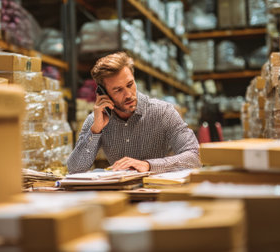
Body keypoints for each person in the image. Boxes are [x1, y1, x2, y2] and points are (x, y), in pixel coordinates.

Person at [67, 52, 201, 174]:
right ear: (104, 94)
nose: (128, 95)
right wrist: (95, 131)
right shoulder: (96, 121)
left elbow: (195, 157)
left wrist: (148, 165)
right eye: (118, 90)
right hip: (119, 195)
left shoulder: (163, 112)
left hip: (156, 194)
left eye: (130, 84)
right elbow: (74, 169)